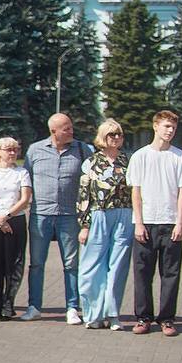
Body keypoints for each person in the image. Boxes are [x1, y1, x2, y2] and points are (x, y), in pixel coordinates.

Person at [23, 113, 92, 323]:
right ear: (53, 131)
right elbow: (25, 180)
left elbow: (90, 182)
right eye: (66, 128)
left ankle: (72, 308)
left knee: (71, 264)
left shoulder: (82, 150)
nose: (71, 131)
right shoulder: (35, 150)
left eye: (71, 127)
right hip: (40, 215)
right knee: (37, 263)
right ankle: (34, 307)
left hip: (69, 216)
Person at [126, 110, 182, 336]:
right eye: (166, 126)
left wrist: (180, 223)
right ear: (155, 126)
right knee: (142, 273)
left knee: (171, 274)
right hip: (146, 223)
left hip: (171, 223)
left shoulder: (180, 157)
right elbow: (136, 192)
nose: (170, 131)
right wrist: (139, 223)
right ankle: (143, 318)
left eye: (173, 127)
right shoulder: (140, 156)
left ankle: (167, 319)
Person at [76, 119, 133, 331]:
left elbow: (137, 191)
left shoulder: (128, 161)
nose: (116, 138)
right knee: (91, 267)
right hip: (98, 215)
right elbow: (83, 195)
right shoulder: (91, 162)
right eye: (112, 134)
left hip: (124, 215)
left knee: (117, 267)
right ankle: (93, 314)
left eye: (119, 134)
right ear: (103, 137)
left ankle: (113, 314)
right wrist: (84, 225)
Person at [0, 138, 33, 320]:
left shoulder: (22, 173)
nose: (12, 153)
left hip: (14, 221)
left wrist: (6, 217)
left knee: (14, 263)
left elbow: (24, 199)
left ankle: (8, 305)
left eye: (15, 150)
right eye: (8, 149)